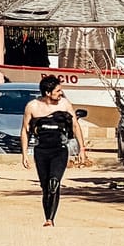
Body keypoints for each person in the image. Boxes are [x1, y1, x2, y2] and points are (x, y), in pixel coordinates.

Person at [21, 74, 86, 226]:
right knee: (45, 186)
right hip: (41, 151)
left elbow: (75, 126)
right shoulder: (32, 106)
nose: (61, 93)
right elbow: (25, 130)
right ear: (47, 93)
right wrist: (24, 154)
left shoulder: (65, 105)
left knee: (54, 182)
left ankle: (51, 219)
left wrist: (82, 148)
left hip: (59, 150)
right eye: (57, 91)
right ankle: (47, 217)